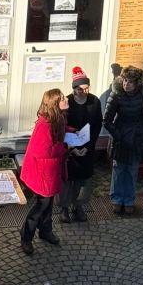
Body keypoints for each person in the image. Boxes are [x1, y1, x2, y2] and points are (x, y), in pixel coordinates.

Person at [104, 65, 143, 216]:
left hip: (138, 136)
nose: (126, 84)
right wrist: (118, 135)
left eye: (130, 82)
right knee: (118, 169)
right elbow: (107, 120)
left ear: (137, 83)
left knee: (132, 170)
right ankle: (116, 199)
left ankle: (128, 200)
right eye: (125, 80)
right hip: (121, 137)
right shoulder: (116, 94)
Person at [20, 88, 68, 253]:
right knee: (42, 205)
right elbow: (44, 151)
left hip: (48, 171)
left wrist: (70, 133)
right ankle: (26, 236)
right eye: (62, 98)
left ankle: (45, 231)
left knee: (47, 204)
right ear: (55, 104)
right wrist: (65, 147)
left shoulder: (56, 118)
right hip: (41, 172)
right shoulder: (44, 125)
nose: (66, 99)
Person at [60, 67, 103, 224]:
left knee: (83, 179)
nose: (83, 92)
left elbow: (97, 125)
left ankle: (78, 206)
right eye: (79, 89)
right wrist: (72, 147)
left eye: (86, 88)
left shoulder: (94, 101)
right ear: (74, 88)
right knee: (67, 179)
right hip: (70, 147)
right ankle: (64, 207)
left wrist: (89, 146)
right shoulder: (68, 102)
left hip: (87, 147)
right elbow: (62, 127)